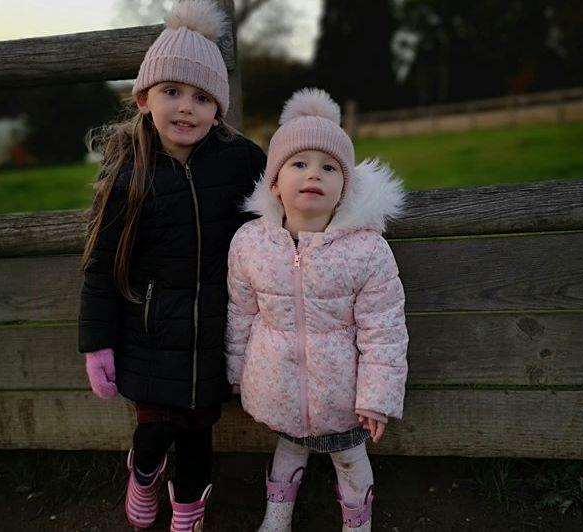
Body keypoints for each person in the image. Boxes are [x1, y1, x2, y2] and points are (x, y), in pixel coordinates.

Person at [78, 1, 266, 530]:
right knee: (154, 429)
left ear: (219, 107)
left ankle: (188, 507)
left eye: (202, 97)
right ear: (144, 98)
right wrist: (97, 346)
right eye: (172, 92)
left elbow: (286, 201)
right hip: (149, 337)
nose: (187, 108)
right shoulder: (129, 174)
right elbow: (100, 266)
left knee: (199, 434)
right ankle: (142, 472)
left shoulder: (243, 162)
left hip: (213, 335)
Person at [225, 88, 408, 531]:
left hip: (343, 395)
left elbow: (384, 330)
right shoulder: (251, 244)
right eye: (299, 164)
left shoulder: (367, 250)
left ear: (344, 187)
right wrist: (235, 371)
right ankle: (278, 514)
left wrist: (377, 398)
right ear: (274, 182)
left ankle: (356, 522)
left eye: (329, 167)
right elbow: (241, 314)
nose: (314, 175)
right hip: (279, 386)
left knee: (349, 459)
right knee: (288, 449)